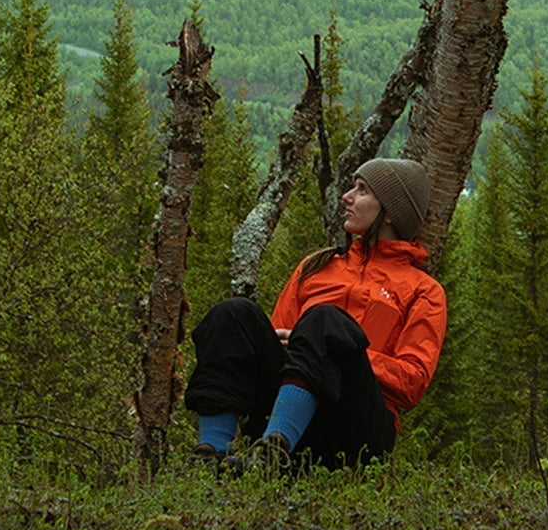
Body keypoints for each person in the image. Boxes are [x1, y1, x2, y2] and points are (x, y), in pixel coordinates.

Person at [183, 157, 447, 472]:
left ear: (390, 212)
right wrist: (303, 346)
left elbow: (412, 383)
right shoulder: (316, 267)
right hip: (292, 411)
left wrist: (338, 350)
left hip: (356, 429)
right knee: (234, 313)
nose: (347, 197)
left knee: (325, 321)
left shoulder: (424, 290)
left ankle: (272, 455)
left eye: (362, 190)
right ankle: (212, 457)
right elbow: (276, 341)